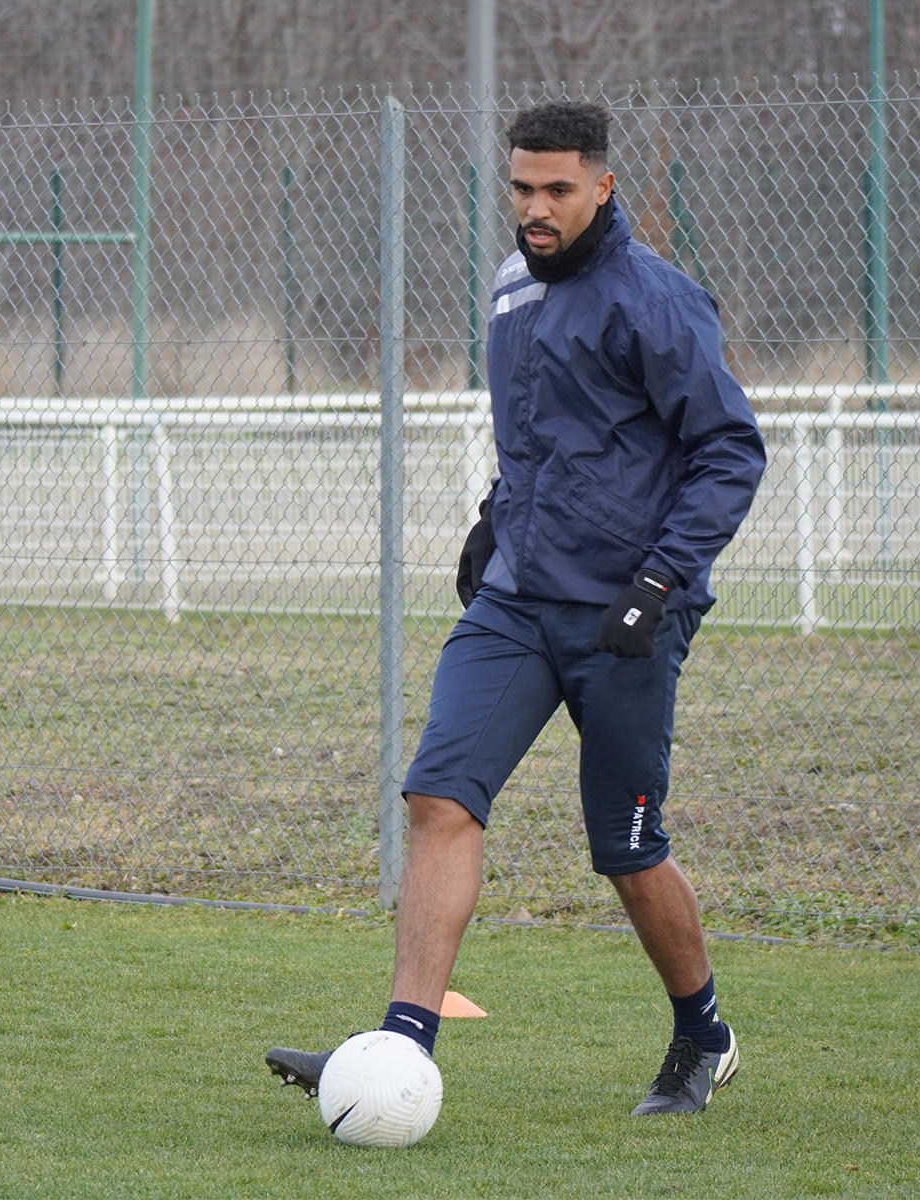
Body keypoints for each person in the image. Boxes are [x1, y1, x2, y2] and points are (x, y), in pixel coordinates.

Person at [267, 99, 765, 1117]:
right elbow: (543, 432)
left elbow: (728, 452)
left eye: (556, 191)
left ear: (602, 187)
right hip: (516, 603)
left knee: (625, 848)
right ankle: (399, 1052)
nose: (534, 210)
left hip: (627, 611)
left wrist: (659, 582)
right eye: (521, 189)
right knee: (437, 799)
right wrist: (497, 519)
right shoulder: (509, 289)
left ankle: (702, 1034)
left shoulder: (655, 301)